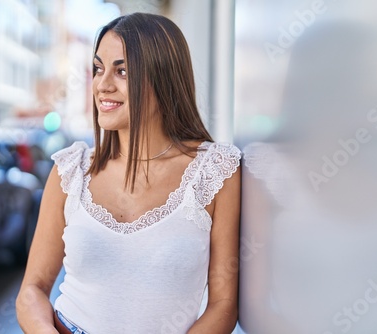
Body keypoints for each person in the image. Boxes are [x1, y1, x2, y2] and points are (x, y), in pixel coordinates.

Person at [16, 12, 241, 334]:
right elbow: (32, 289)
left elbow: (223, 305)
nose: (102, 85)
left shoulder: (216, 171)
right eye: (98, 69)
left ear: (163, 77)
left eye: (122, 71)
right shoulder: (70, 170)